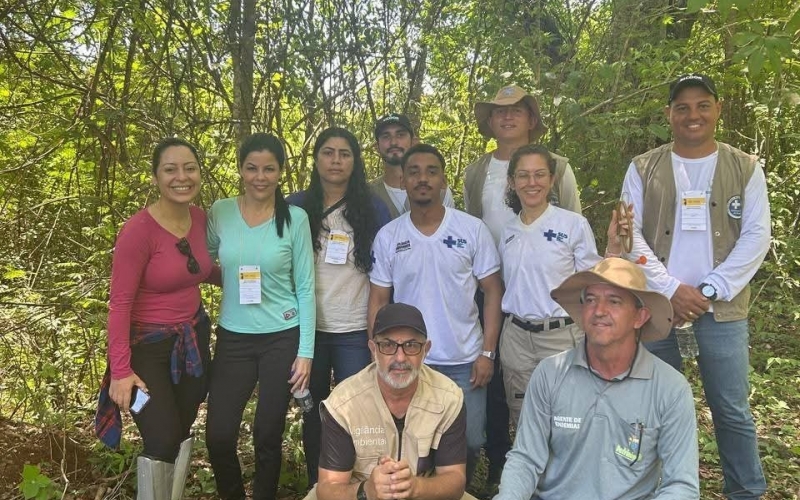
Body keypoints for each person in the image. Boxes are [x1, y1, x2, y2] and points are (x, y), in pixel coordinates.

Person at [621, 73, 770, 499]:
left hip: (721, 312)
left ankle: (746, 492)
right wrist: (671, 289)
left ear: (718, 109)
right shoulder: (643, 168)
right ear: (669, 114)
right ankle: (656, 491)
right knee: (653, 408)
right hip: (657, 309)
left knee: (732, 411)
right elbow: (630, 236)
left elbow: (757, 237)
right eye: (682, 106)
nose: (693, 115)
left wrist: (707, 290)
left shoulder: (744, 167)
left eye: (703, 105)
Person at [495, 258, 700, 499]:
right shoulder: (550, 373)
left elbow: (681, 486)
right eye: (590, 300)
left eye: (614, 301)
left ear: (640, 317)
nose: (599, 310)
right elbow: (526, 458)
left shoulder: (670, 389)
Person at [463, 84, 582, 487]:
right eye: (499, 111)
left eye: (517, 110)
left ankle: (564, 479)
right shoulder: (478, 170)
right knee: (502, 387)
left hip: (553, 306)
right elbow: (472, 225)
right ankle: (506, 466)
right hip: (497, 293)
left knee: (563, 405)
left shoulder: (558, 167)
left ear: (531, 119)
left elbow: (575, 241)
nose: (508, 117)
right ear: (491, 121)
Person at [368, 143, 504, 484]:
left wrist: (487, 352)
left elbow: (493, 291)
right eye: (414, 172)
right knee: (412, 445)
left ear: (444, 180)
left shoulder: (471, 230)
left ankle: (456, 491)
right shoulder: (389, 236)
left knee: (470, 442)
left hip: (464, 360)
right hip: (409, 359)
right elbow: (378, 299)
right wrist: (377, 353)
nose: (422, 179)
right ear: (403, 179)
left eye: (431, 172)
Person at [95, 137, 218, 499]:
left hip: (192, 342)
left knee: (180, 431)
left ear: (199, 173)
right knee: (162, 438)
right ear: (155, 178)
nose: (182, 177)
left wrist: (257, 282)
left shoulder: (201, 220)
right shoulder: (138, 231)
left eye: (190, 168)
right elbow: (119, 303)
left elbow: (201, 269)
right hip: (145, 353)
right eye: (170, 169)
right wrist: (120, 371)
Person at [205, 132, 316, 500]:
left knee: (267, 434)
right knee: (219, 434)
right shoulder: (220, 211)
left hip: (281, 336)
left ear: (281, 173)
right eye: (252, 168)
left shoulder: (294, 219)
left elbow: (304, 287)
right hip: (233, 337)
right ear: (240, 169)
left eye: (269, 169)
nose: (260, 176)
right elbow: (199, 262)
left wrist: (306, 352)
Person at [287, 127, 391, 486]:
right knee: (313, 411)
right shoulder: (295, 207)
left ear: (355, 161)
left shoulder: (373, 208)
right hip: (308, 333)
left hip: (354, 330)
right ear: (315, 160)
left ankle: (355, 484)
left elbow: (388, 270)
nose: (336, 160)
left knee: (356, 411)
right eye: (328, 152)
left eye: (344, 153)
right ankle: (320, 485)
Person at [499, 144, 631, 426]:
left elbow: (596, 282)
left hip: (560, 337)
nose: (531, 183)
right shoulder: (507, 232)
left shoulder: (572, 224)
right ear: (512, 182)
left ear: (552, 179)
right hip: (516, 340)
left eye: (539, 174)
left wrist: (613, 247)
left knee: (569, 419)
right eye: (523, 175)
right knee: (524, 419)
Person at [305, 302, 478, 500]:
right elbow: (329, 488)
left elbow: (455, 479)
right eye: (388, 345)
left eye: (411, 345)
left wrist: (416, 488)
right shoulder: (343, 403)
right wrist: (366, 491)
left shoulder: (448, 397)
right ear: (373, 349)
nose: (400, 357)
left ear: (426, 349)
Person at [370, 113, 456, 219]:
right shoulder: (367, 194)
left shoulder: (438, 190)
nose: (393, 142)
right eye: (386, 136)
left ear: (414, 142)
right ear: (376, 147)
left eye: (400, 135)